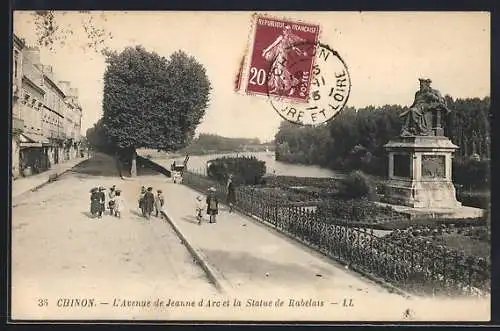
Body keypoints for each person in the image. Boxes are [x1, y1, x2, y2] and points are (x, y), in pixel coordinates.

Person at [261, 25, 309, 97]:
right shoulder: (281, 37)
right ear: (283, 31)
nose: (286, 31)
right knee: (276, 71)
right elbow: (273, 45)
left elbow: (294, 48)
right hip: (278, 56)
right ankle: (277, 88)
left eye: (287, 30)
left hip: (283, 57)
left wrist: (302, 53)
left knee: (281, 71)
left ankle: (294, 84)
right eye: (285, 30)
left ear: (289, 31)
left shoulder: (290, 40)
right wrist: (266, 51)